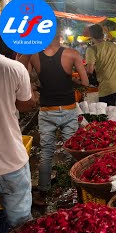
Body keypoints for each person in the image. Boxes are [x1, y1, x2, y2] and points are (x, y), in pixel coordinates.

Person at [27, 30, 89, 206]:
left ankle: (43, 192)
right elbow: (85, 82)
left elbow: (27, 79)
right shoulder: (72, 53)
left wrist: (38, 85)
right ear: (59, 34)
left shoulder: (33, 55)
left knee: (46, 154)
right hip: (68, 109)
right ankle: (68, 189)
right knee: (71, 151)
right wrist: (71, 81)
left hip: (47, 110)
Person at [0, 8, 37, 228]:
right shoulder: (13, 68)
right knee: (21, 229)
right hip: (10, 162)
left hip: (9, 163)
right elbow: (25, 103)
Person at [85, 24, 116, 126]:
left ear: (91, 35)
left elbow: (89, 70)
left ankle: (115, 140)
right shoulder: (114, 45)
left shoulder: (92, 49)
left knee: (109, 117)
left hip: (107, 87)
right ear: (102, 34)